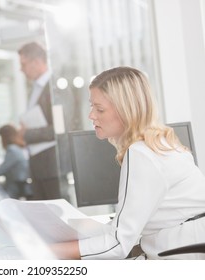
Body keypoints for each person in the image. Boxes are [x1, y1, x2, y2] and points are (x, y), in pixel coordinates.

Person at [51, 66, 205, 260]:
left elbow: (118, 244)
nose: (91, 115)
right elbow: (124, 229)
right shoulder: (161, 142)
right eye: (91, 106)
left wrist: (44, 251)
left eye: (99, 109)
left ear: (126, 110)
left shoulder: (141, 153)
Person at [17, 42, 61, 200]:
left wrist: (27, 133)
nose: (21, 70)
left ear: (36, 62)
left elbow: (60, 129)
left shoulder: (56, 88)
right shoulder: (35, 88)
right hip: (38, 165)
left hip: (52, 167)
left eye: (23, 64)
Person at [0, 124, 31, 199]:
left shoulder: (12, 149)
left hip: (16, 185)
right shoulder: (18, 147)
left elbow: (3, 169)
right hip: (20, 183)